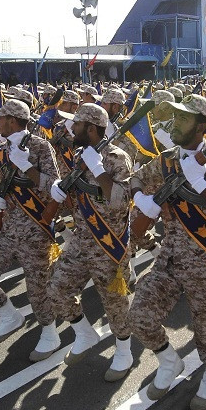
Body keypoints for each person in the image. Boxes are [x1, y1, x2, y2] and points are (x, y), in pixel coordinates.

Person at [128, 94, 206, 410]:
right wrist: (141, 199)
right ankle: (169, 361)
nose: (174, 124)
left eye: (183, 119)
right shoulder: (166, 160)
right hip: (169, 257)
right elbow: (136, 178)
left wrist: (200, 185)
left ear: (201, 127)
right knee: (139, 316)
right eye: (176, 117)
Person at [0, 99, 61, 357]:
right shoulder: (0, 151)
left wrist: (28, 168)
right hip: (7, 231)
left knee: (37, 290)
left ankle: (50, 333)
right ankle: (9, 315)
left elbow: (56, 188)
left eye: (1, 118)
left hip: (36, 232)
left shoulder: (40, 147)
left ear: (13, 121)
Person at [47, 103, 136, 379]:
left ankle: (124, 350)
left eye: (76, 124)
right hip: (82, 239)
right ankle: (84, 333)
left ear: (91, 128)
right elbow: (79, 197)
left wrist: (98, 170)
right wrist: (60, 190)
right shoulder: (80, 155)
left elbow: (120, 202)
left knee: (114, 302)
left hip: (108, 243)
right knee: (57, 289)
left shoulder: (117, 158)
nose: (71, 128)